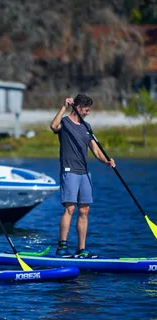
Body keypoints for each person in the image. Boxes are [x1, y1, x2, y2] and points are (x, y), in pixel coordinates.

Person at [50, 93, 115, 258]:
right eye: (86, 110)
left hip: (84, 172)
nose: (88, 112)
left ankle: (81, 249)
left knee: (84, 210)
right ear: (78, 108)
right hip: (69, 171)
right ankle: (62, 246)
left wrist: (106, 161)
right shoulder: (64, 123)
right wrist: (64, 106)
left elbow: (96, 150)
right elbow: (53, 126)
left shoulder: (87, 128)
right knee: (70, 208)